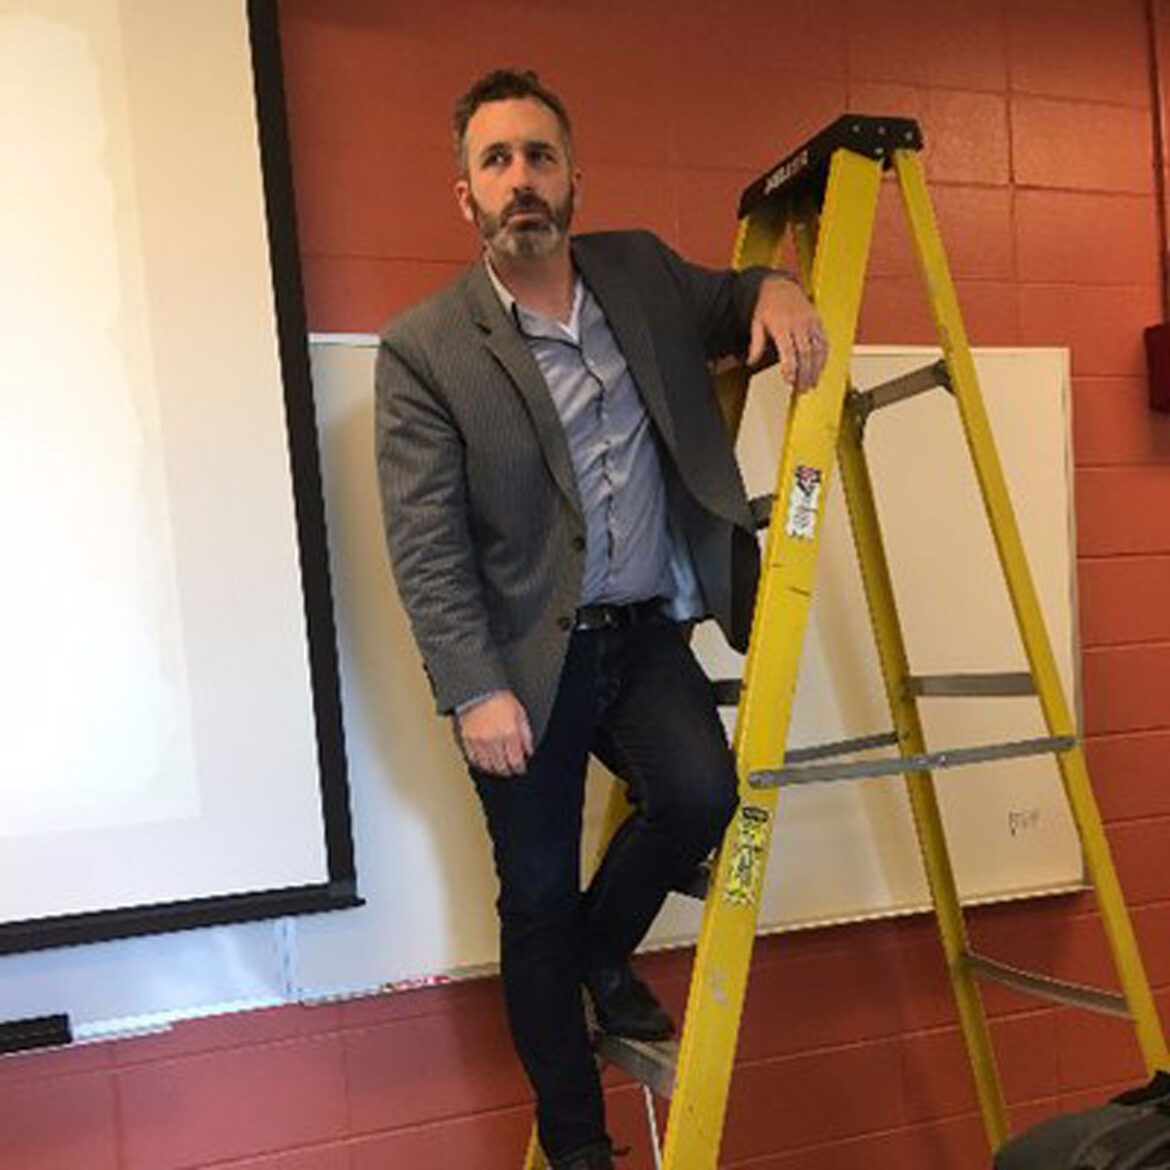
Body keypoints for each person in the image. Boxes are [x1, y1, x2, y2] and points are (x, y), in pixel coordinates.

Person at [375, 68, 827, 1170]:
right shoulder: (425, 349)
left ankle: (596, 955)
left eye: (539, 156)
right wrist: (474, 688)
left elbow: (730, 302)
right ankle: (581, 1147)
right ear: (466, 196)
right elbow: (427, 545)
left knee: (701, 797)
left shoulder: (638, 270)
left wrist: (774, 288)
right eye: (497, 162)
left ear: (574, 175)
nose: (521, 180)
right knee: (531, 899)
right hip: (524, 666)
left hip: (644, 631)